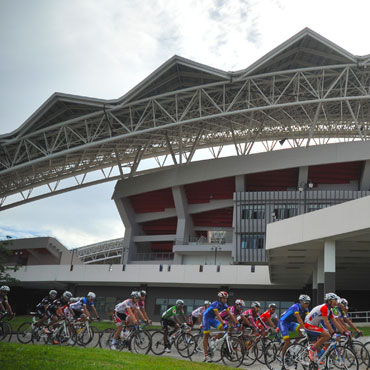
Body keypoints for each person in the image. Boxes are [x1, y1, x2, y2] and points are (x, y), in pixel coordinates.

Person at [202, 291, 238, 362]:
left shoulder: (225, 305)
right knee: (206, 335)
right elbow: (218, 315)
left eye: (226, 298)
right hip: (206, 318)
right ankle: (206, 355)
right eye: (224, 298)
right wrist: (223, 323)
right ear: (220, 298)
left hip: (212, 318)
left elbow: (230, 314)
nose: (226, 300)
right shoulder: (215, 304)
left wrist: (237, 323)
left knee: (222, 329)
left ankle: (214, 339)